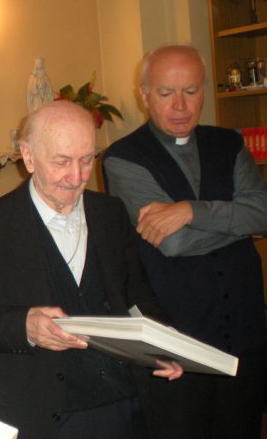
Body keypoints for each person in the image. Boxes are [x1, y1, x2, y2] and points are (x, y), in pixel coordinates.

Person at [0, 100, 182, 439]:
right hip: (41, 414)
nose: (77, 177)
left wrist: (163, 343)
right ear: (28, 157)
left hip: (123, 405)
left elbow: (139, 296)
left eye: (87, 159)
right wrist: (25, 326)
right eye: (62, 162)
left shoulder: (110, 213)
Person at [102, 44, 267, 439]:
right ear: (145, 94)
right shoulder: (122, 158)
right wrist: (236, 222)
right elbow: (173, 243)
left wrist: (190, 211)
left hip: (246, 331)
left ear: (204, 90)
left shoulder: (230, 143)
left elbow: (262, 212)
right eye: (166, 93)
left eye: (191, 91)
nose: (180, 105)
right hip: (178, 343)